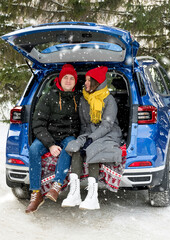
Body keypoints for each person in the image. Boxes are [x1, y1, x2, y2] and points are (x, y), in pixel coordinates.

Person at [63, 66, 122, 210]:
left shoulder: (109, 100)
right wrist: (82, 139)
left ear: (97, 82)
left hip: (108, 134)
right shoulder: (84, 99)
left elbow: (107, 125)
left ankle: (93, 197)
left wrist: (91, 139)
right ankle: (74, 193)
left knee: (94, 149)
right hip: (89, 133)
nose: (86, 83)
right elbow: (84, 124)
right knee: (75, 147)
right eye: (86, 80)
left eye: (89, 80)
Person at [25, 64, 80, 213]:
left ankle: (57, 185)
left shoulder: (78, 98)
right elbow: (38, 124)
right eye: (65, 78)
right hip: (48, 135)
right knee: (34, 149)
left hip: (67, 136)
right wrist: (50, 145)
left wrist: (76, 136)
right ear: (60, 79)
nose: (68, 81)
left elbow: (82, 122)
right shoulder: (48, 97)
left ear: (75, 81)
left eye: (71, 78)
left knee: (70, 146)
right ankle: (36, 194)